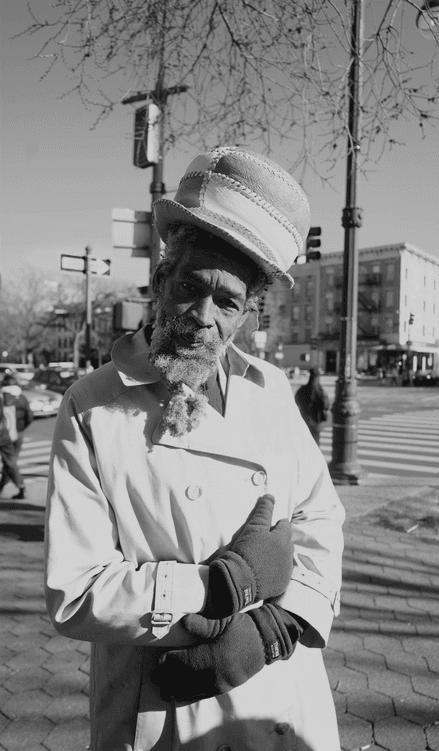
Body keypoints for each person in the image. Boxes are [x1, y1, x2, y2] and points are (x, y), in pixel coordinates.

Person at [45, 146, 345, 751]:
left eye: (228, 301)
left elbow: (320, 518)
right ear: (161, 281)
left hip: (281, 692)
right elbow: (75, 591)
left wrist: (273, 628)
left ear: (247, 314)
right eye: (190, 286)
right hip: (166, 709)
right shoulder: (93, 405)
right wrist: (217, 588)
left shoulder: (271, 391)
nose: (203, 315)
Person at [0, 375, 29, 499]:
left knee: (10, 463)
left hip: (4, 434)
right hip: (17, 433)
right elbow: (29, 416)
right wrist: (20, 429)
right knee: (10, 462)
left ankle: (21, 486)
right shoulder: (21, 397)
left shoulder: (3, 397)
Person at [294, 367, 329, 445]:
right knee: (315, 444)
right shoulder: (320, 391)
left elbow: (296, 400)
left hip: (304, 420)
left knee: (305, 444)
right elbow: (326, 404)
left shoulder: (302, 390)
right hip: (315, 422)